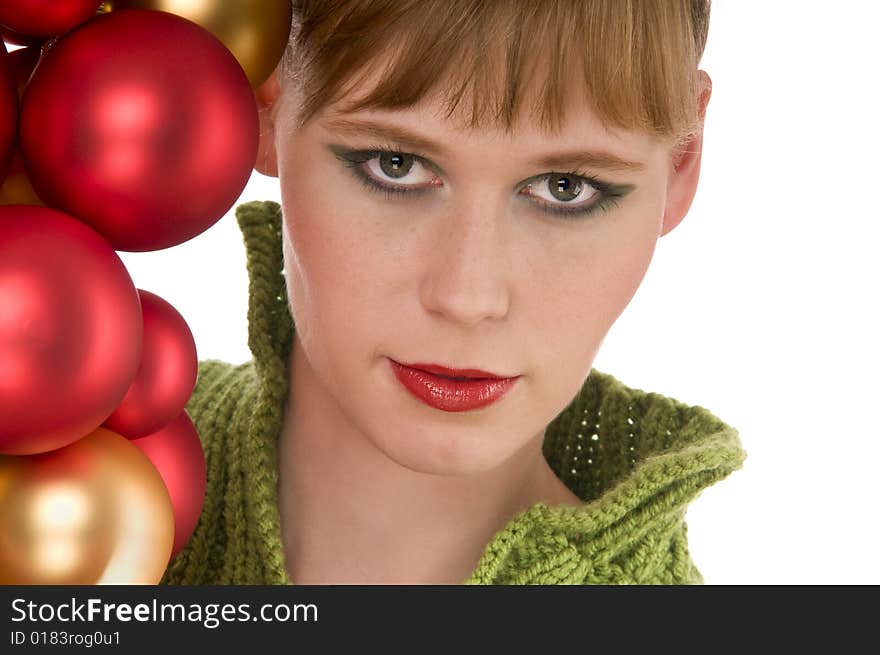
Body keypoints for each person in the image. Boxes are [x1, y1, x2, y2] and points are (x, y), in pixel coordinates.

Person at [161, 0, 746, 585]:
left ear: (682, 159)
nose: (467, 297)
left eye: (566, 189)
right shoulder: (88, 463)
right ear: (266, 106)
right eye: (396, 165)